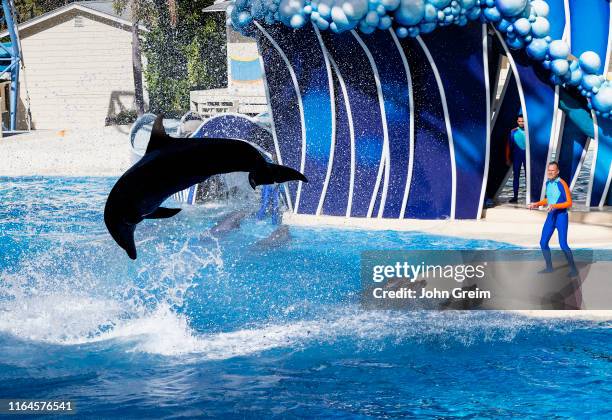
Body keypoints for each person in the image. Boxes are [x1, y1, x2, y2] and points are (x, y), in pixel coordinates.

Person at [528, 161, 578, 277]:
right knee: (543, 242)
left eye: (552, 171)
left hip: (561, 217)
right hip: (551, 216)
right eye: (549, 170)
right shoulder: (548, 183)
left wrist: (554, 206)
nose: (550, 172)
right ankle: (549, 268)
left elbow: (569, 203)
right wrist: (537, 204)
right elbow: (549, 199)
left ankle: (573, 269)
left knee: (563, 245)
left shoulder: (562, 183)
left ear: (557, 172)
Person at [506, 115, 527, 203]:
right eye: (520, 121)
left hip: (527, 157)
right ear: (517, 121)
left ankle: (529, 196)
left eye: (523, 121)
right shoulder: (513, 132)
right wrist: (507, 158)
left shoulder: (529, 131)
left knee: (528, 177)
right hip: (517, 157)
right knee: (516, 177)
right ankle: (515, 197)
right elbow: (508, 146)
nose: (521, 123)